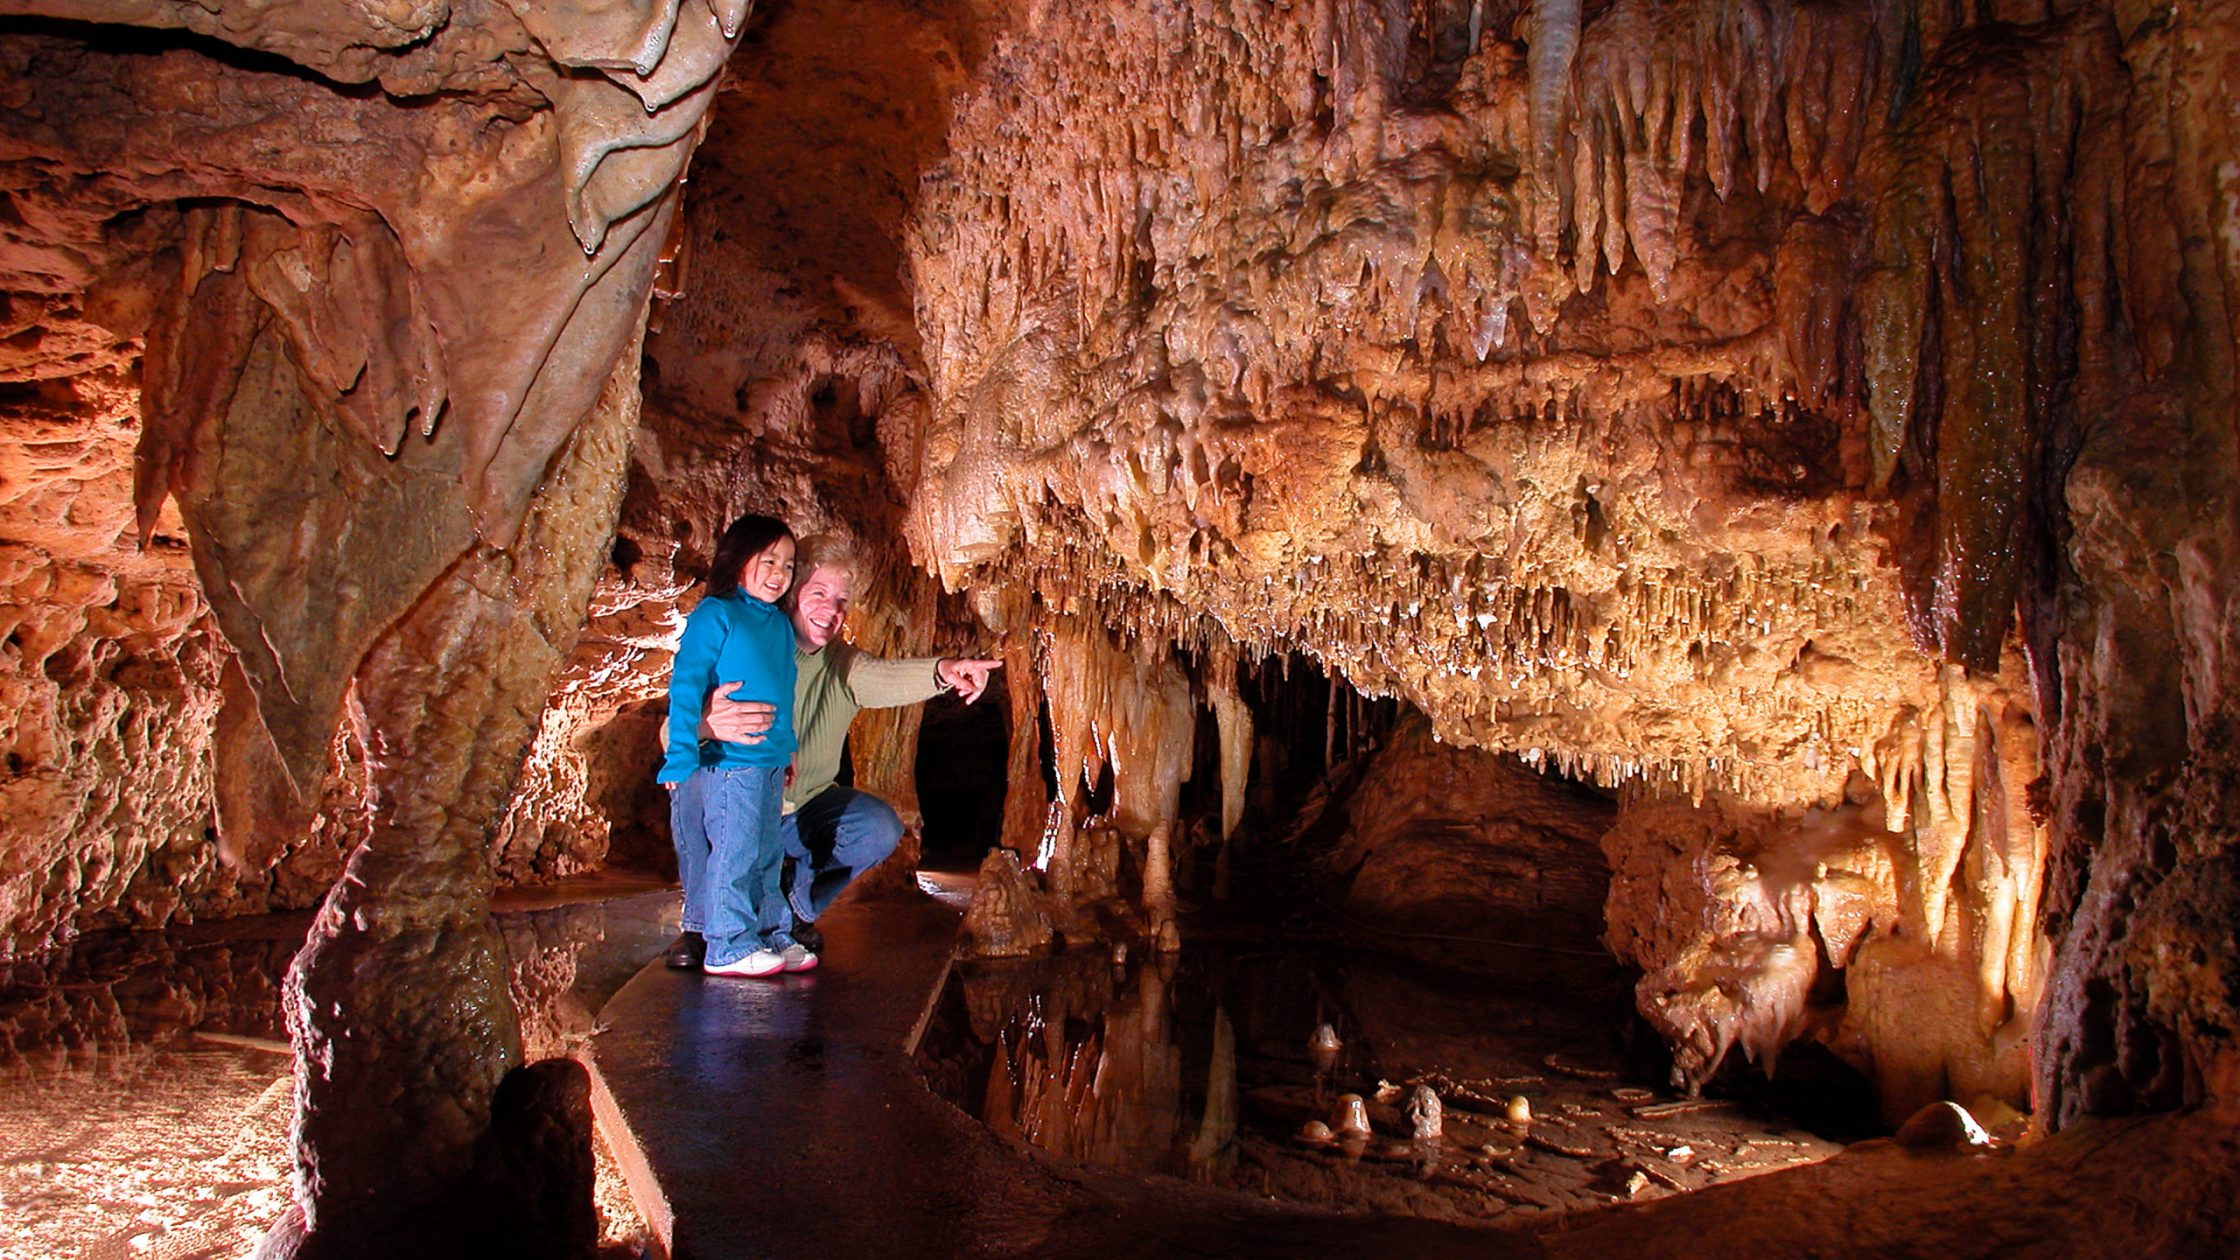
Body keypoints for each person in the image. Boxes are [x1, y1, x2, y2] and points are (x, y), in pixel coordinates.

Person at [673, 533, 1001, 959]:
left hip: (802, 808)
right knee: (692, 779)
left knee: (877, 826)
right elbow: (671, 733)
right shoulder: (743, 643)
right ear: (791, 594)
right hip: (736, 802)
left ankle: (792, 912)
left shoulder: (842, 664)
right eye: (819, 593)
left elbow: (886, 676)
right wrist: (707, 724)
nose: (832, 610)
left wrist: (945, 670)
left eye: (842, 600)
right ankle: (700, 925)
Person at [658, 514, 815, 979]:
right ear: (737, 559)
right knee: (735, 852)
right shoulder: (716, 613)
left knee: (768, 853)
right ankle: (726, 943)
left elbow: (784, 695)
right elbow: (686, 685)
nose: (779, 574)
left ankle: (770, 932)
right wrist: (681, 754)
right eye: (768, 561)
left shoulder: (780, 627)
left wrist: (786, 751)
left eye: (787, 565)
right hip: (727, 762)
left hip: (766, 761)